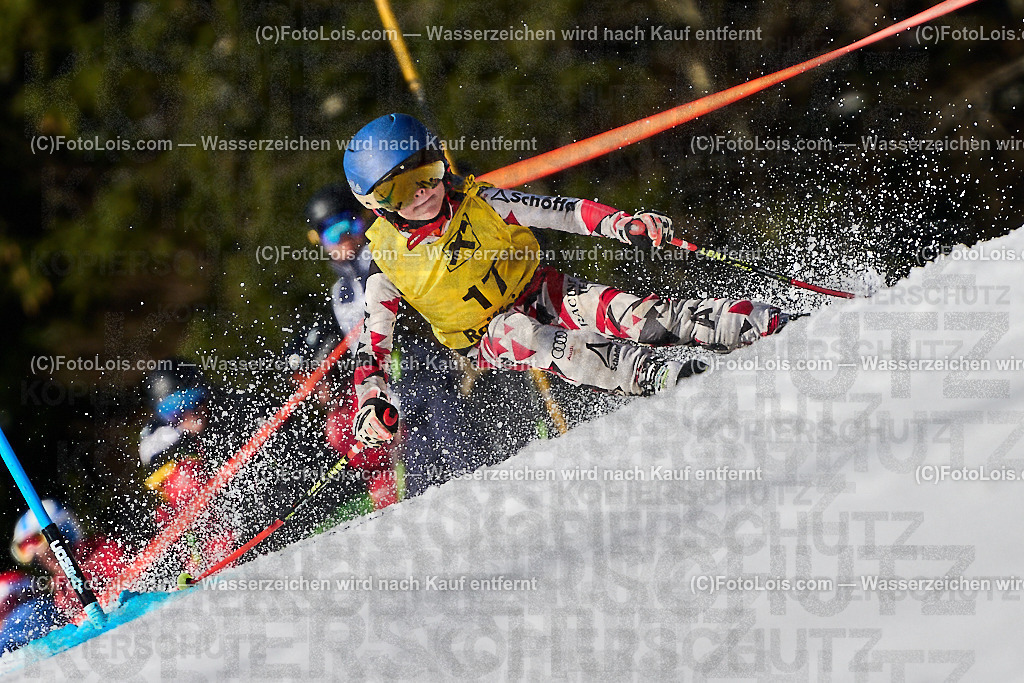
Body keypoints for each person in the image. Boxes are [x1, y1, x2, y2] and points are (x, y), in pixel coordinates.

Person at [342, 113, 791, 448]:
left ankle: (767, 323)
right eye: (400, 190)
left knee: (635, 315)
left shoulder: (480, 202)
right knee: (525, 335)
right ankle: (651, 373)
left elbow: (562, 211)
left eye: (426, 174)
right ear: (378, 204)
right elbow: (372, 347)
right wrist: (370, 404)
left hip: (540, 289)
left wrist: (623, 224)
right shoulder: (387, 265)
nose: (421, 193)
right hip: (485, 336)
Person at [304, 184, 492, 495]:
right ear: (320, 242)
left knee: (462, 455)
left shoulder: (387, 253)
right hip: (398, 393)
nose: (344, 239)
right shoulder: (342, 295)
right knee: (421, 482)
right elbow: (362, 351)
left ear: (363, 221)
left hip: (433, 371)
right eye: (332, 234)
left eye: (349, 225)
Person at [6, 500, 124, 630]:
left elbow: (130, 581)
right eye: (41, 559)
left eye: (51, 554)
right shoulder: (59, 587)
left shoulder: (103, 551)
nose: (47, 562)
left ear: (66, 535)